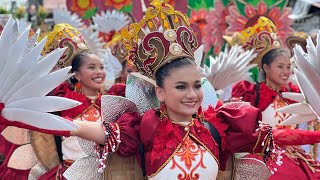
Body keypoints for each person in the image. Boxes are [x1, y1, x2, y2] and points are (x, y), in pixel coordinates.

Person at [231, 16, 320, 179]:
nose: (286, 71)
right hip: (266, 155)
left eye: (288, 67)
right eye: (280, 67)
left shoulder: (296, 92)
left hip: (296, 155)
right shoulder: (251, 94)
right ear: (265, 67)